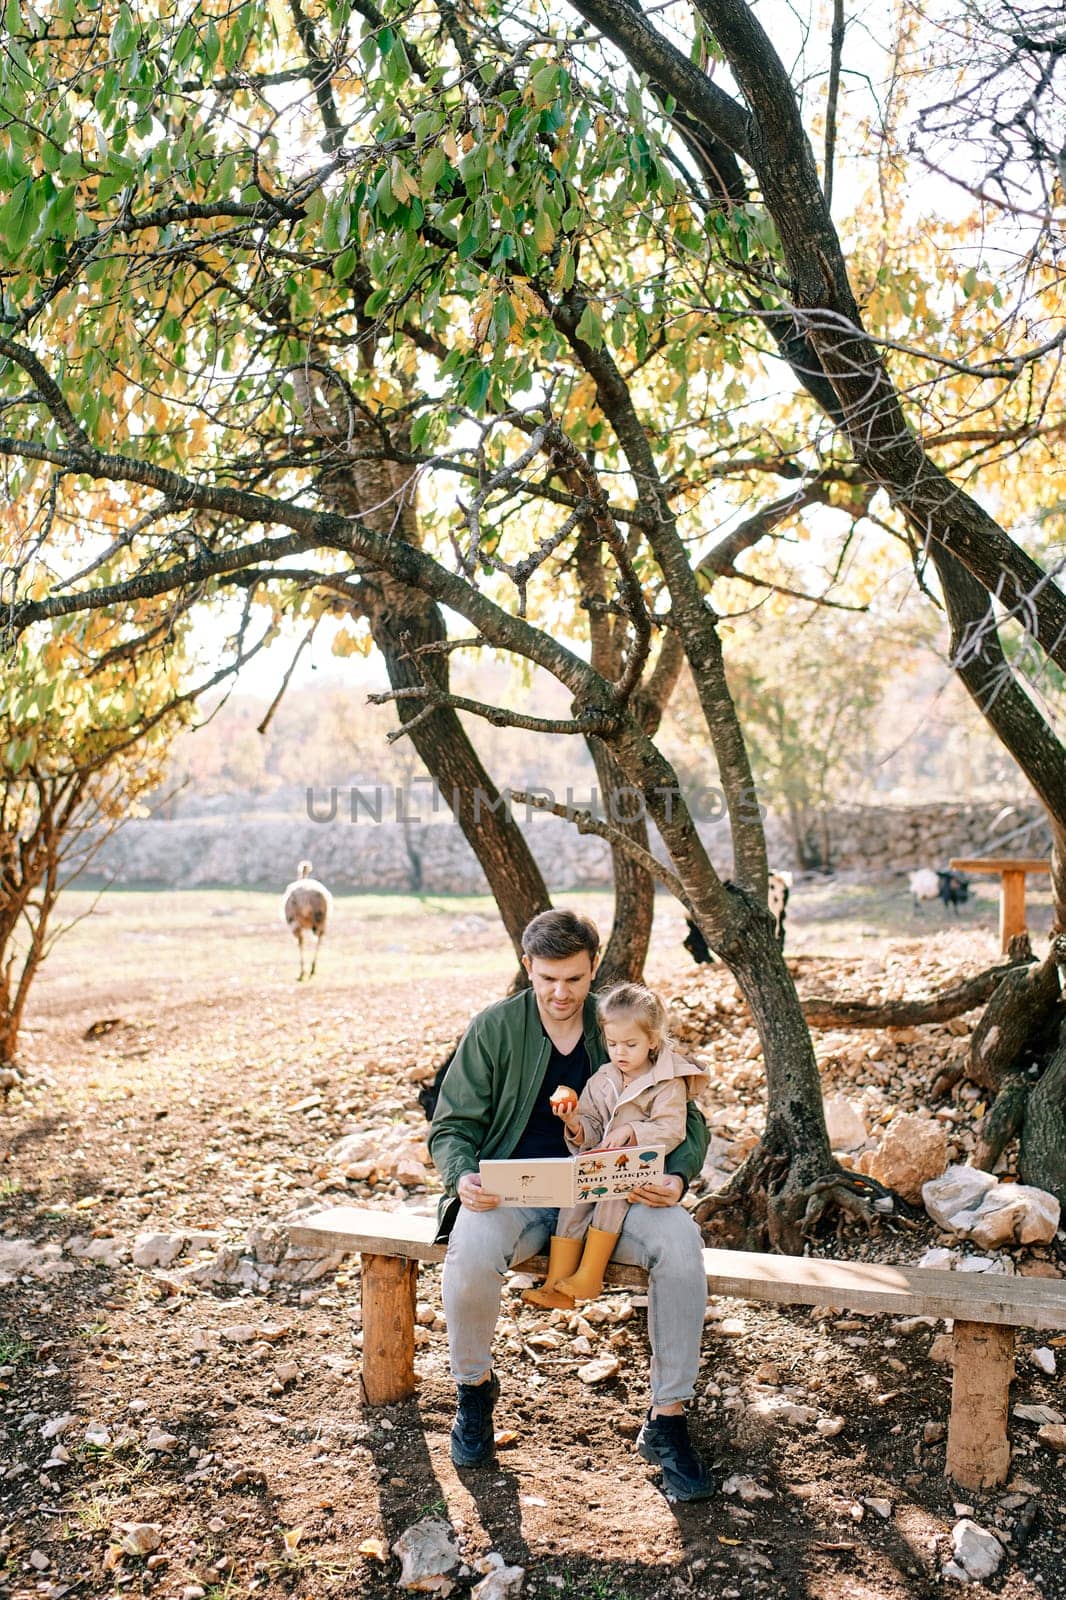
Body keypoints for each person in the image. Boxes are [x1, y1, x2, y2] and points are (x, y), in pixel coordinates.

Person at [428, 909, 715, 1502]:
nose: (562, 993)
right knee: (472, 1245)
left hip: (614, 1192)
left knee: (682, 1241)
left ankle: (669, 1419)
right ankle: (474, 1390)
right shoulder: (494, 1029)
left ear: (593, 971)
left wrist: (680, 1178)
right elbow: (451, 1126)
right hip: (520, 1194)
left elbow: (689, 1120)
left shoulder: (622, 1022)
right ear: (527, 966)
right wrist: (462, 1178)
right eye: (548, 978)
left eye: (576, 979)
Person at [521, 981, 707, 1310]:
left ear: (652, 1040)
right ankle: (557, 1282)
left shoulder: (666, 1084)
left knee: (610, 1199)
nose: (620, 1052)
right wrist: (575, 1122)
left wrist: (633, 1131)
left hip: (638, 1169)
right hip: (600, 1166)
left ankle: (590, 1276)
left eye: (630, 1044)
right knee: (574, 1201)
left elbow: (672, 1129)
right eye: (612, 1043)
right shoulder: (603, 1078)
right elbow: (593, 1127)